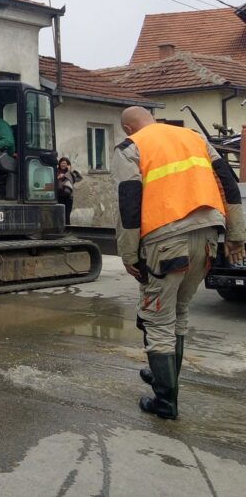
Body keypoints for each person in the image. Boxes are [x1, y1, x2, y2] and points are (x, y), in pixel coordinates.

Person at [113, 106, 245, 420]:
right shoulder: (194, 137)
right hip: (209, 236)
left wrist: (129, 255)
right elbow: (227, 182)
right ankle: (165, 379)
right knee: (180, 312)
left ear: (129, 129)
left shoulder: (131, 147)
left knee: (158, 321)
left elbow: (128, 203)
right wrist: (237, 234)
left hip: (165, 238)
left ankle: (165, 403)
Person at [56, 156, 82, 224]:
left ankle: (67, 229)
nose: (63, 164)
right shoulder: (56, 171)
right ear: (59, 164)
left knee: (67, 214)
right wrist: (58, 177)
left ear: (67, 165)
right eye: (62, 163)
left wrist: (66, 173)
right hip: (59, 196)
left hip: (68, 197)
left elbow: (77, 179)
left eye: (64, 163)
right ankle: (60, 229)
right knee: (60, 214)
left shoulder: (70, 174)